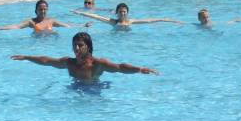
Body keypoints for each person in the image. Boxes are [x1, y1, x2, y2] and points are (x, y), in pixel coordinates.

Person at [11, 31, 157, 81]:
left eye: (80, 45)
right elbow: (47, 60)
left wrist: (139, 69)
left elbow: (120, 67)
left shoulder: (98, 64)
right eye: (74, 45)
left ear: (88, 46)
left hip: (94, 90)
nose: (76, 48)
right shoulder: (69, 62)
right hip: (75, 89)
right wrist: (27, 57)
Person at [74, 2, 182, 27]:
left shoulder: (131, 22)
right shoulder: (113, 22)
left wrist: (165, 19)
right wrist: (80, 13)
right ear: (116, 13)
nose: (122, 13)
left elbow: (149, 20)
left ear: (127, 13)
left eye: (124, 12)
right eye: (120, 12)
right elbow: (96, 17)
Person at [0, 0, 72, 33]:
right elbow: (17, 26)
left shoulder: (51, 21)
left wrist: (79, 25)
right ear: (36, 11)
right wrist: (0, 28)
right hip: (37, 45)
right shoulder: (31, 22)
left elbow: (66, 26)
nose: (43, 11)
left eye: (45, 9)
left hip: (50, 44)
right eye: (40, 9)